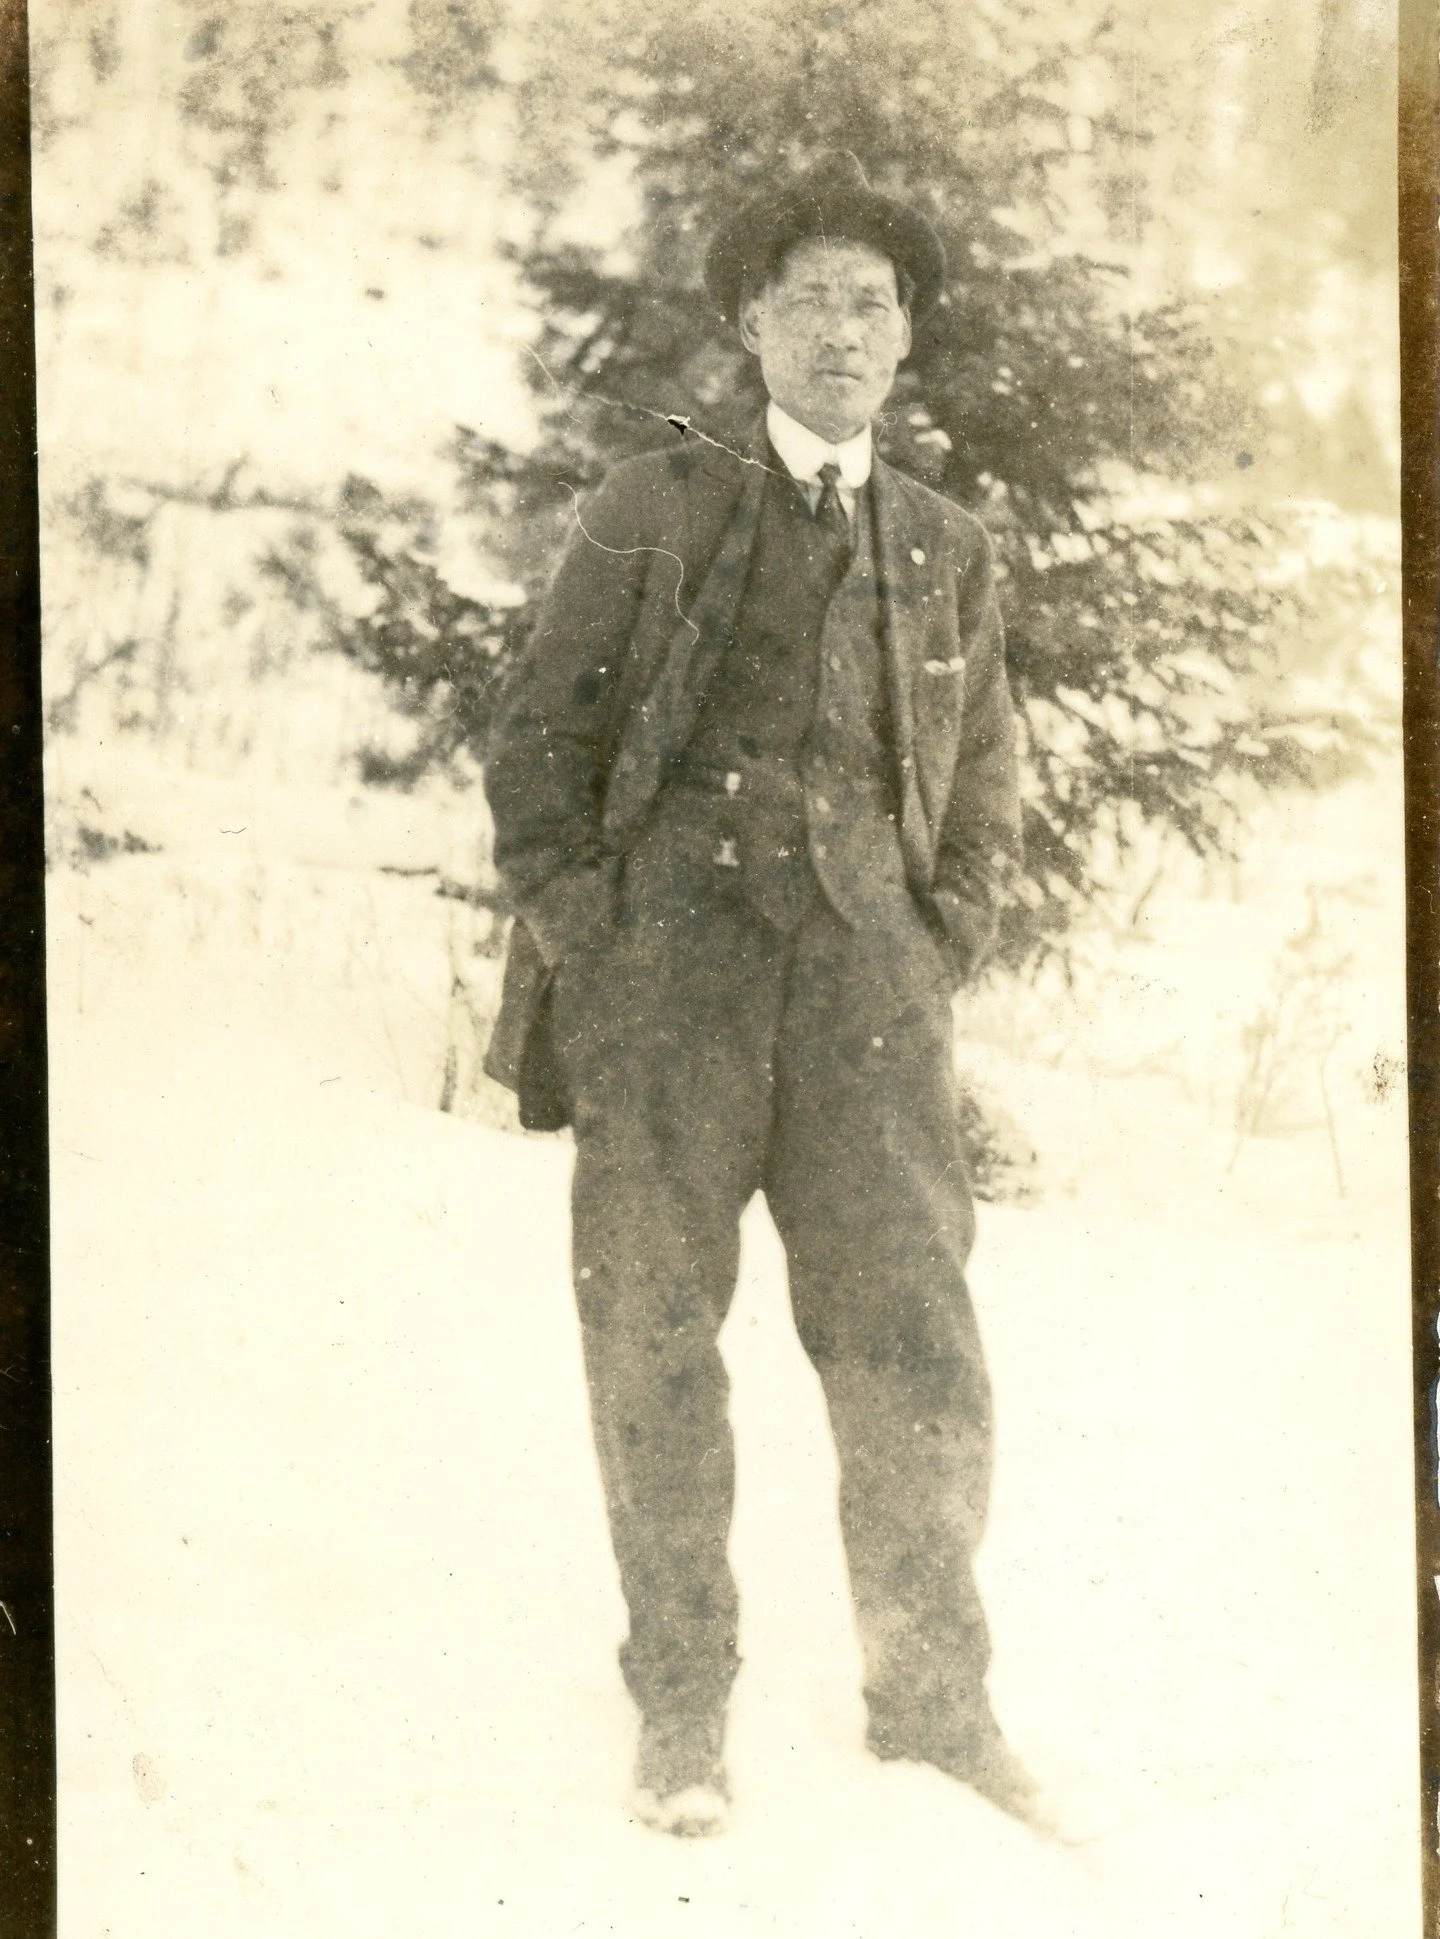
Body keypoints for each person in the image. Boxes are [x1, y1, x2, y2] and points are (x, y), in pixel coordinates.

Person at [483, 153, 1039, 1838]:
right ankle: (681, 1706)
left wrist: (938, 936)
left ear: (907, 335)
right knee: (653, 1339)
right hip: (672, 993)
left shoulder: (945, 548)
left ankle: (936, 1701)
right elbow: (539, 743)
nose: (845, 331)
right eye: (809, 300)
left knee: (913, 1344)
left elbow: (991, 774)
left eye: (873, 303)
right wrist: (598, 933)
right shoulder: (650, 505)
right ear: (749, 324)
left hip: (871, 1003)